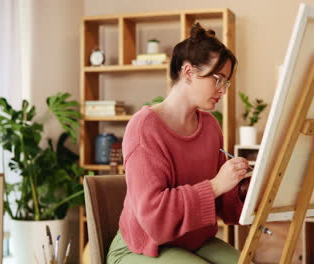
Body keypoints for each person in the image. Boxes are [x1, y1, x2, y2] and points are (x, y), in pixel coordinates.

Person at [106, 22, 250, 264]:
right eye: (218, 79)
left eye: (226, 82)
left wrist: (243, 185)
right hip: (143, 246)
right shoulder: (144, 128)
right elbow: (154, 217)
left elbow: (225, 207)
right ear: (188, 72)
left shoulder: (211, 126)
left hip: (193, 241)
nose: (223, 90)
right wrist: (215, 185)